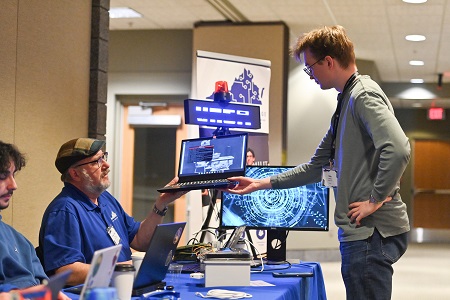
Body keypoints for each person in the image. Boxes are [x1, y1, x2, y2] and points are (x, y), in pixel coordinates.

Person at [227, 25, 410, 300]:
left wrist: (375, 199)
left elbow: (397, 149)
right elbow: (315, 168)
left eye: (310, 67)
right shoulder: (346, 102)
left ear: (329, 61)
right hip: (360, 236)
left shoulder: (363, 96)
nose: (309, 75)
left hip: (370, 234)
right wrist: (259, 183)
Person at [39, 138, 187, 286]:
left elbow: (140, 240)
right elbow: (67, 272)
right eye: (96, 161)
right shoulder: (64, 211)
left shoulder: (105, 199)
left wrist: (161, 203)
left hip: (123, 285)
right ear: (75, 174)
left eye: (103, 157)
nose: (106, 165)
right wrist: (124, 269)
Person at [0, 141, 69, 299]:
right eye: (3, 176)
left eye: (13, 174)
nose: (13, 185)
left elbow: (44, 285)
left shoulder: (20, 241)